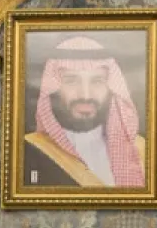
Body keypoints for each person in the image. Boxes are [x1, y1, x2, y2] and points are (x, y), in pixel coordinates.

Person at [22, 35, 146, 187]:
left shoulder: (140, 151)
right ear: (53, 88)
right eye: (71, 81)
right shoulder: (29, 150)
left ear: (111, 88)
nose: (85, 95)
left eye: (97, 81)